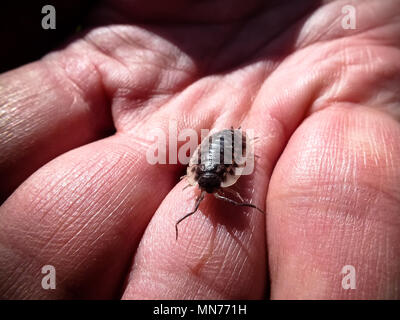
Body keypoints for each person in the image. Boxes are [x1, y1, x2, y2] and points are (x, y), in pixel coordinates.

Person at [0, 0, 399, 299]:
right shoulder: (212, 179)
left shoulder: (218, 175)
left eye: (207, 186)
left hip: (224, 147)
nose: (207, 192)